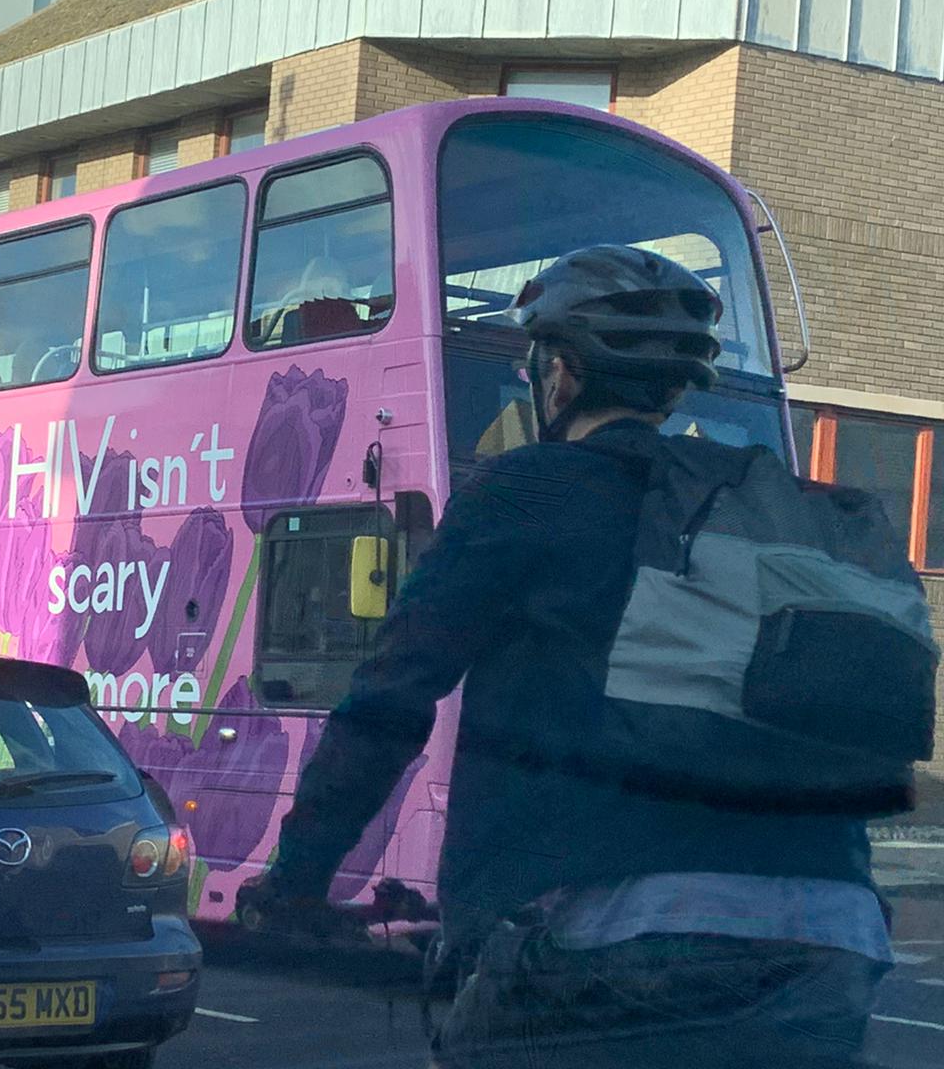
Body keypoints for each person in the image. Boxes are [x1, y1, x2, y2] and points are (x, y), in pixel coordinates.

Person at [244, 245, 894, 1068]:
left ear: (559, 375)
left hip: (607, 943)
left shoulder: (526, 489)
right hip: (831, 938)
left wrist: (298, 877)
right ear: (674, 387)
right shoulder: (763, 509)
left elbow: (390, 699)